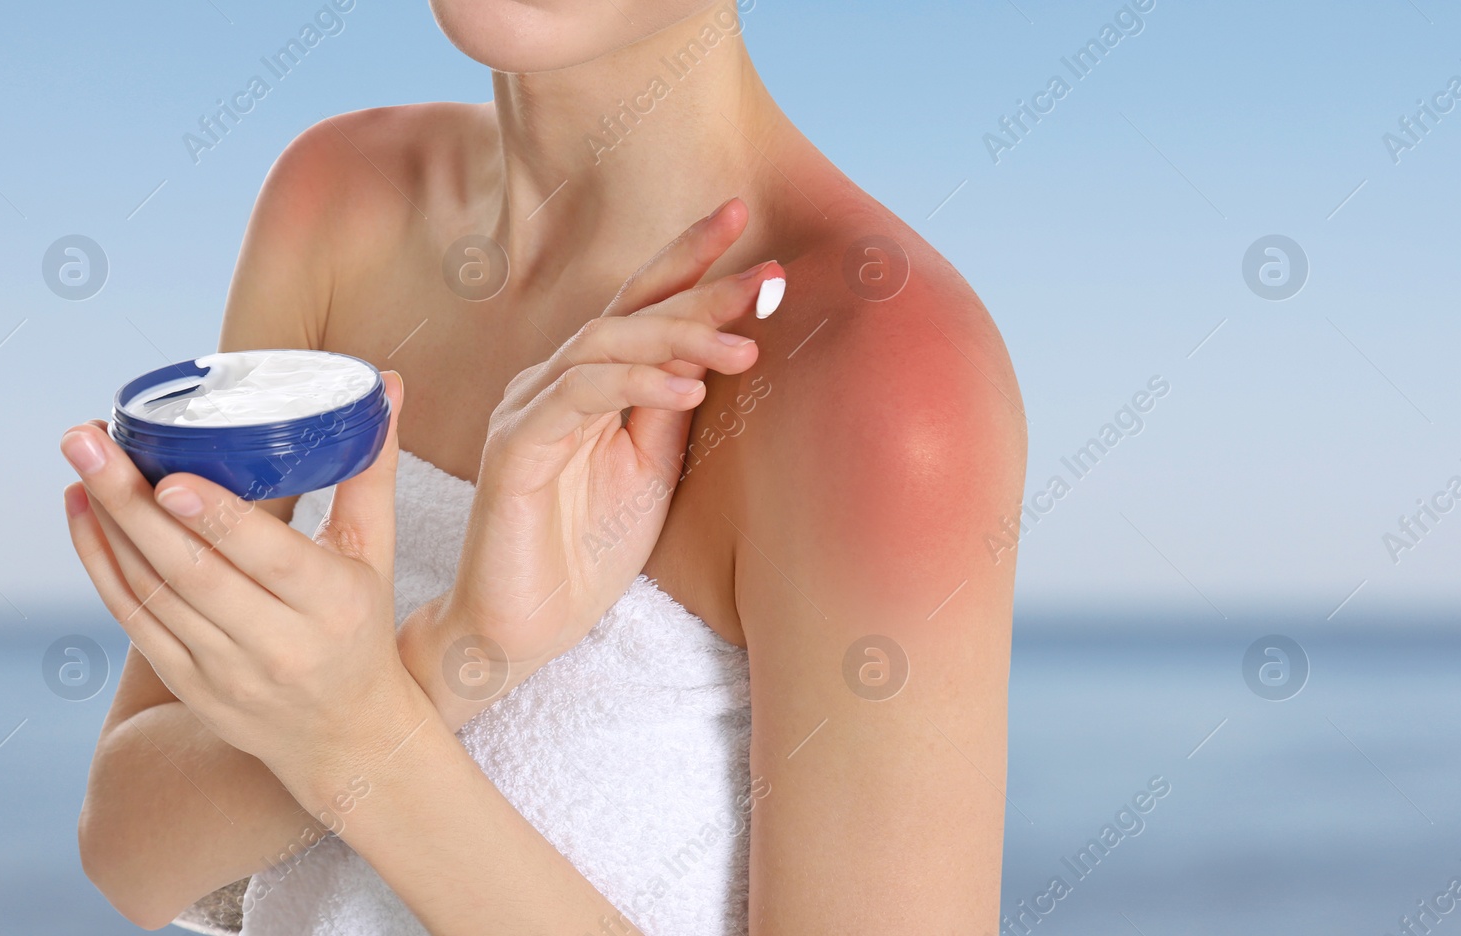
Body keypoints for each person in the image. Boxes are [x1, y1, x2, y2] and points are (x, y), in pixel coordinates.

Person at [65, 2, 1027, 933]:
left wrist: (362, 733)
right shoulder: (337, 199)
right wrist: (457, 653)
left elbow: (315, 750)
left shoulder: (883, 376)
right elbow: (130, 855)